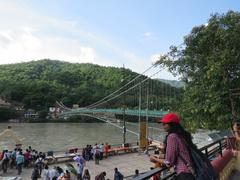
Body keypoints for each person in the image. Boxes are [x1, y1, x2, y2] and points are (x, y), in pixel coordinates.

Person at [150, 113, 195, 180]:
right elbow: (178, 153)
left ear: (172, 124)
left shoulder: (172, 137)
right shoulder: (181, 135)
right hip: (190, 171)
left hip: (184, 174)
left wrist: (154, 159)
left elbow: (168, 163)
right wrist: (161, 156)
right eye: (163, 124)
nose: (163, 126)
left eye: (165, 124)